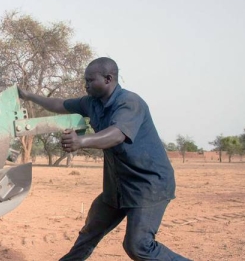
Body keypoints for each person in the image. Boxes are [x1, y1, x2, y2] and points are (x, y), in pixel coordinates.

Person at [18, 57, 190, 261]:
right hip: (118, 186)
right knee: (91, 231)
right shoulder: (91, 103)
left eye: (90, 80)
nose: (86, 85)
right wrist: (29, 96)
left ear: (108, 79)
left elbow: (117, 134)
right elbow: (59, 104)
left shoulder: (130, 102)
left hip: (148, 185)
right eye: (85, 80)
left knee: (138, 246)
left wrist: (80, 142)